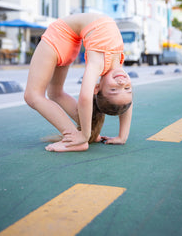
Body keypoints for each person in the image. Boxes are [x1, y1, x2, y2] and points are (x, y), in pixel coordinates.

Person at [24, 13, 133, 152]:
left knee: (32, 96)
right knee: (55, 93)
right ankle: (87, 134)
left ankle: (75, 139)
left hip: (58, 36)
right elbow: (126, 103)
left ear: (97, 87)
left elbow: (86, 97)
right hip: (71, 41)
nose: (122, 83)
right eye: (127, 88)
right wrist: (122, 136)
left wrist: (84, 135)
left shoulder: (98, 63)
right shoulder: (117, 67)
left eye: (114, 90)